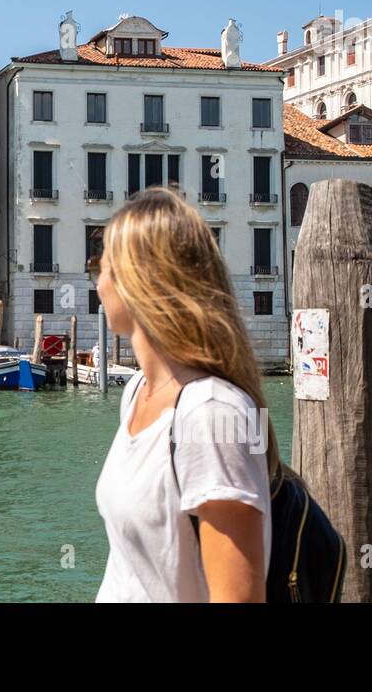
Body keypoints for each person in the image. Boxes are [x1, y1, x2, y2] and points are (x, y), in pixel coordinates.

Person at [93, 187, 278, 602]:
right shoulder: (138, 393)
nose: (98, 282)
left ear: (135, 280)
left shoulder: (211, 414)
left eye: (100, 266)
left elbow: (240, 598)